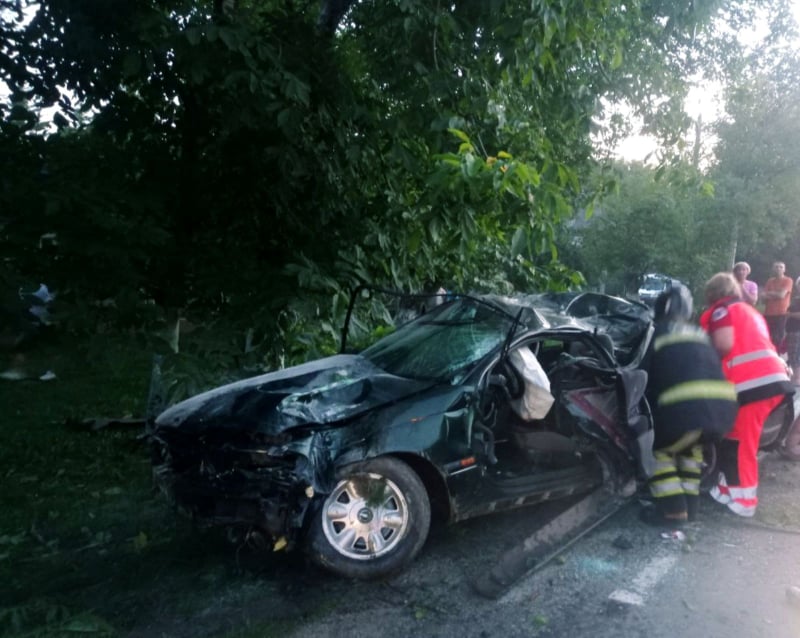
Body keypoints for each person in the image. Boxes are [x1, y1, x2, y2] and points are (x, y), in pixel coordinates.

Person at [639, 284, 737, 527]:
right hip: (721, 413)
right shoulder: (699, 333)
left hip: (686, 412)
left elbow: (642, 374)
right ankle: (691, 508)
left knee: (658, 452)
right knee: (689, 451)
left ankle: (673, 512)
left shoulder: (657, 333)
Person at [701, 272, 793, 517]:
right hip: (768, 379)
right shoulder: (749, 311)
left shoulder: (722, 312)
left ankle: (744, 502)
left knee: (741, 444)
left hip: (751, 384)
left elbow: (722, 344)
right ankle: (724, 491)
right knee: (732, 439)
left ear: (713, 294)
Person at [762, 261, 793, 347]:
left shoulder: (788, 280)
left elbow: (781, 295)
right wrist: (775, 294)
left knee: (778, 337)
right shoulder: (770, 281)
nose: (778, 269)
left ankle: (777, 355)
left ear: (784, 269)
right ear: (773, 269)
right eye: (776, 267)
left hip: (781, 313)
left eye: (781, 267)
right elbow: (763, 297)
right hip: (768, 313)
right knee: (767, 336)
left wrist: (769, 294)